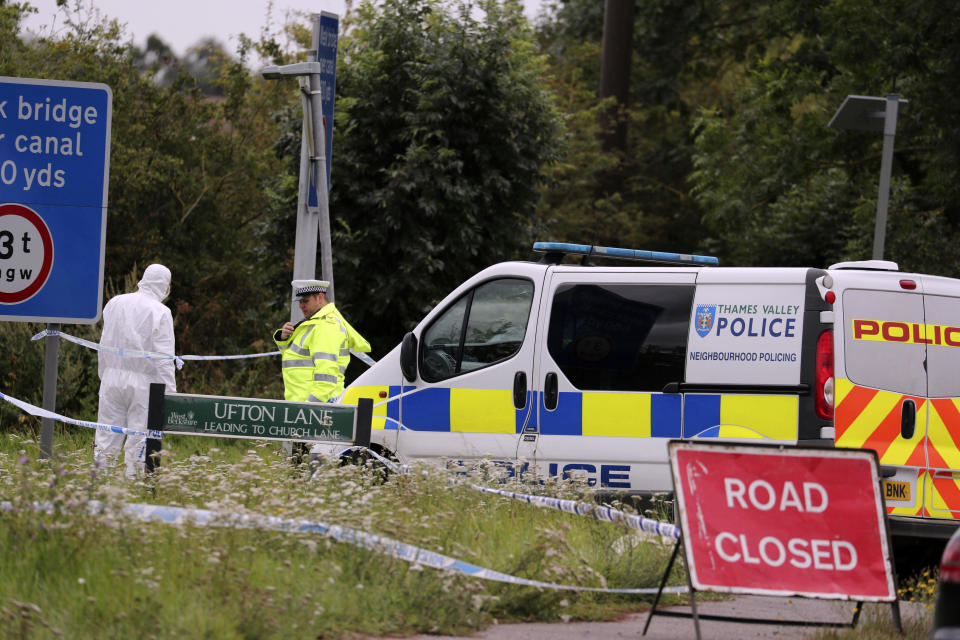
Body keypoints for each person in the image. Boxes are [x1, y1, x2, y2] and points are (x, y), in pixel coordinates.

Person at [94, 264, 176, 478]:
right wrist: (169, 396)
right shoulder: (161, 312)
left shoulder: (115, 302)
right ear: (164, 286)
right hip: (144, 384)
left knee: (105, 438)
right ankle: (134, 490)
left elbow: (103, 344)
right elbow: (164, 359)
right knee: (139, 442)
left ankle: (98, 485)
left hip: (111, 378)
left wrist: (104, 375)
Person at [273, 279, 371, 403]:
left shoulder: (326, 326)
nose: (301, 306)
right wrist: (284, 338)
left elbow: (326, 374)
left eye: (305, 301)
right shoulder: (314, 323)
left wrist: (312, 406)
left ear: (320, 297)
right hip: (305, 402)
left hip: (316, 404)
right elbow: (294, 357)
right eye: (300, 302)